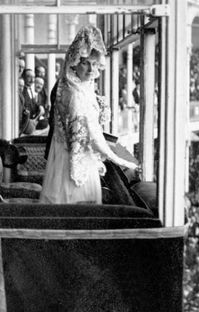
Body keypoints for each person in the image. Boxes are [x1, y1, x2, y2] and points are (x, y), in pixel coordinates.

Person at [40, 25, 138, 204]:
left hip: (72, 154)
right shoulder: (74, 94)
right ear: (74, 62)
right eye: (85, 63)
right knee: (76, 205)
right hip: (74, 159)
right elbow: (88, 135)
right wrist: (118, 159)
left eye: (94, 64)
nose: (91, 70)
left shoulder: (77, 86)